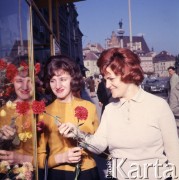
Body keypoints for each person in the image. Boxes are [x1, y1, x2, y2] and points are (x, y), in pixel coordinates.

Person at [59, 48, 179, 180]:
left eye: (110, 79)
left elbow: (175, 155)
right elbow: (98, 146)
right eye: (105, 79)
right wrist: (77, 134)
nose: (107, 85)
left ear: (127, 74)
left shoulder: (158, 106)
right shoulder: (110, 109)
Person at [37, 55, 100, 180]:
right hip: (58, 175)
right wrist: (61, 158)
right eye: (52, 80)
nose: (57, 85)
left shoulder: (89, 107)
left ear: (73, 79)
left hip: (88, 173)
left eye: (63, 79)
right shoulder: (44, 113)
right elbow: (38, 158)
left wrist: (80, 135)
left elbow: (100, 147)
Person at [0, 57, 34, 178]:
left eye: (29, 81)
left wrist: (22, 158)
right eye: (19, 80)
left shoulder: (42, 111)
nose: (25, 86)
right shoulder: (4, 111)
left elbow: (50, 156)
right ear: (12, 81)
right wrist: (3, 140)